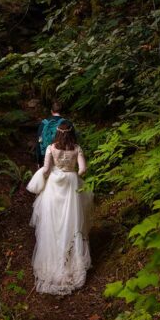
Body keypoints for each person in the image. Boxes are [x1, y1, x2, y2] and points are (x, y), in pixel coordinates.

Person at [26, 121, 93, 295]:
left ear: (57, 133)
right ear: (72, 133)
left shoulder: (50, 148)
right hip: (71, 185)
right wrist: (73, 176)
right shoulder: (77, 149)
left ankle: (52, 263)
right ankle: (71, 263)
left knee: (52, 223)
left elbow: (46, 169)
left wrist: (45, 177)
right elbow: (83, 169)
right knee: (72, 222)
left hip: (55, 185)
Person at [36, 101, 73, 166]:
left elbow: (39, 141)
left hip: (46, 156)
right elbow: (73, 141)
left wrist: (39, 161)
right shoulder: (67, 123)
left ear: (51, 111)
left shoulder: (44, 123)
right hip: (64, 156)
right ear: (61, 112)